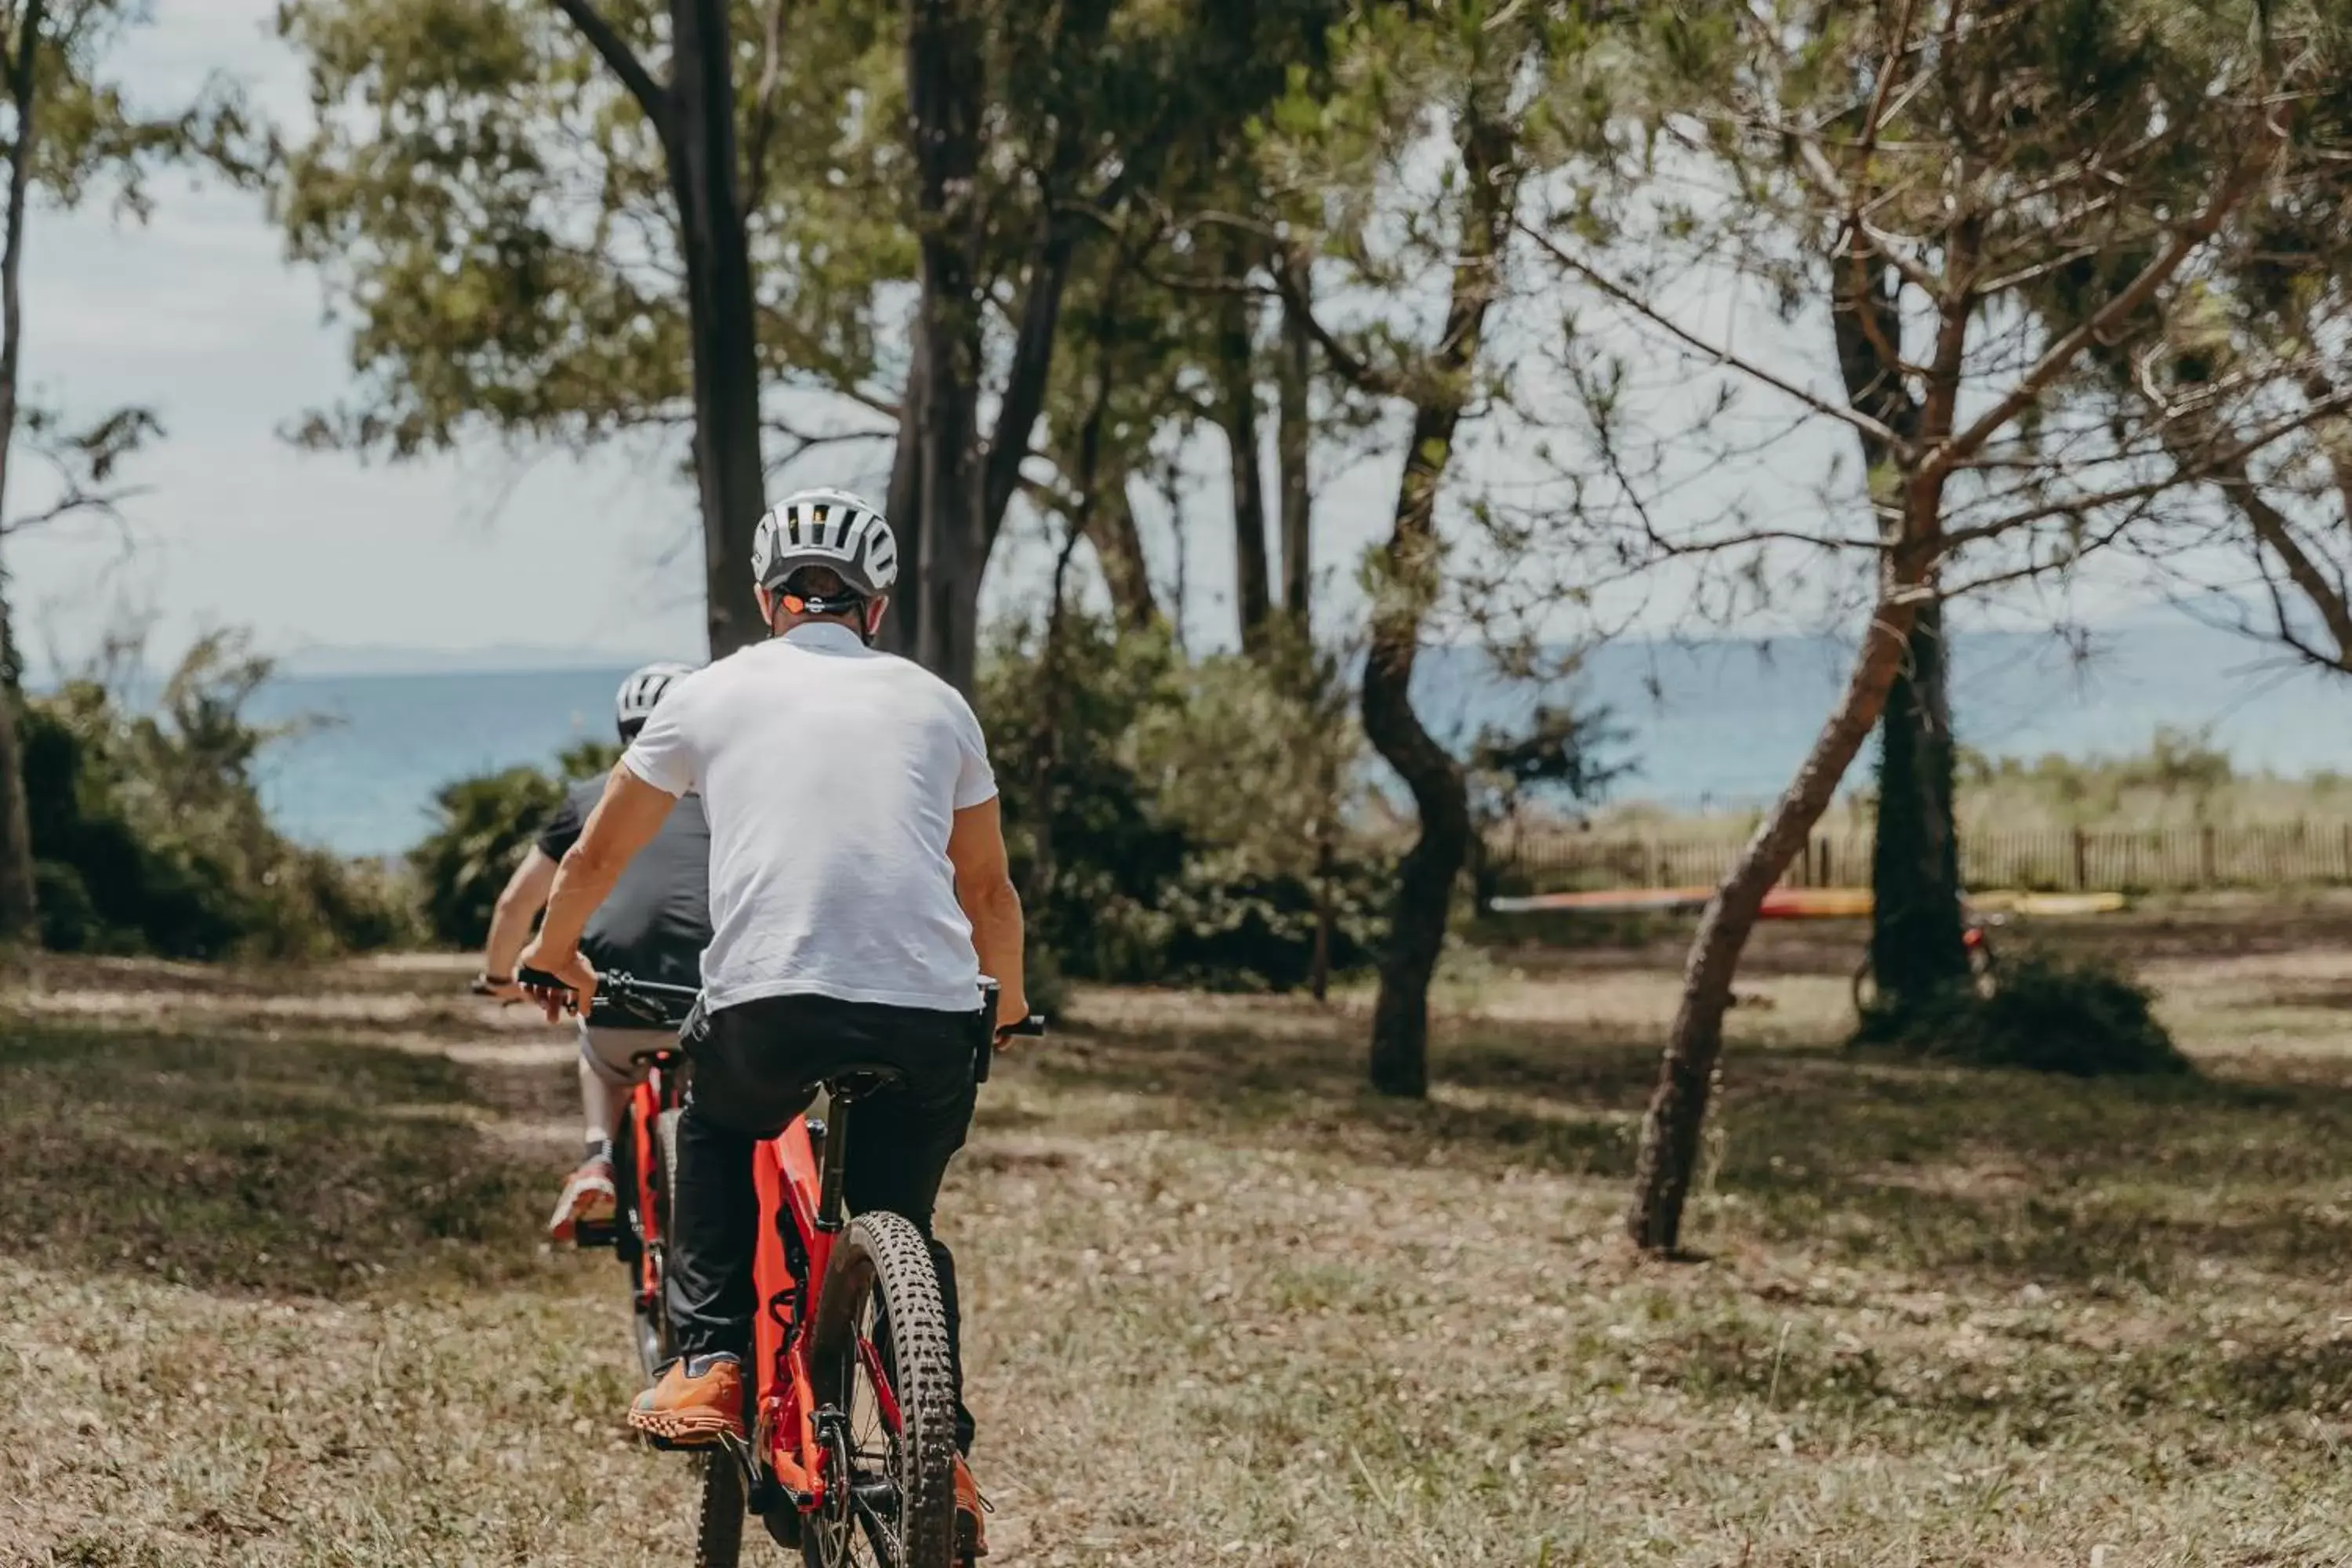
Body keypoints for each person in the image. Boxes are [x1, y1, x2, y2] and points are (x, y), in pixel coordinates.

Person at [518, 485, 1026, 1561]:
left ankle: (710, 1362)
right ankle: (952, 1459)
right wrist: (1010, 1001)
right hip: (931, 1019)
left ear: (767, 599)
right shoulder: (940, 705)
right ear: (873, 609)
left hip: (768, 1005)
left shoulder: (710, 693)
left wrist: (553, 953)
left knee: (708, 1132)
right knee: (908, 1229)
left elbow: (597, 856)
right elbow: (987, 894)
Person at [473, 661, 711, 1242]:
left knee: (599, 1056)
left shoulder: (588, 799)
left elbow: (513, 905)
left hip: (620, 1001)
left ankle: (599, 1156)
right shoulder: (735, 797)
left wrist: (500, 976)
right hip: (723, 1000)